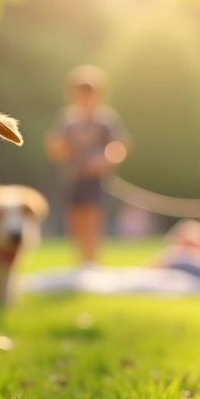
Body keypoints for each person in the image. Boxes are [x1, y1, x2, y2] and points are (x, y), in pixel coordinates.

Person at [45, 65, 130, 267]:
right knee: (75, 219)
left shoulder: (106, 119)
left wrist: (104, 160)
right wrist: (59, 148)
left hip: (95, 180)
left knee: (93, 219)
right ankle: (81, 262)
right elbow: (55, 145)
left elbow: (120, 145)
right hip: (73, 178)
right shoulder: (67, 119)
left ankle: (93, 262)